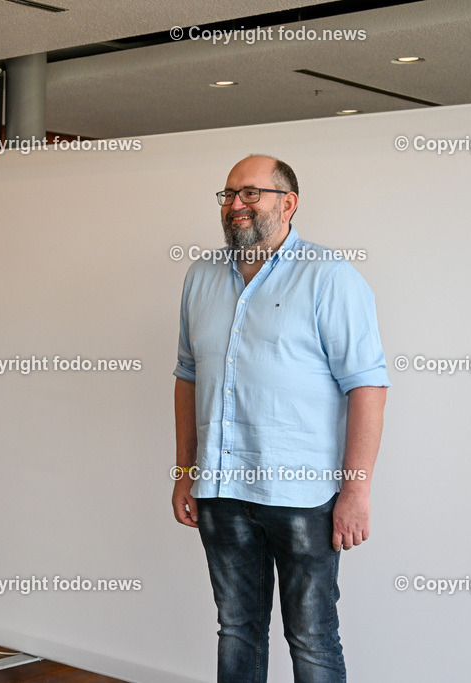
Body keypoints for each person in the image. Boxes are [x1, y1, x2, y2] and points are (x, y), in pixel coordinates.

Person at [170, 155, 389, 682]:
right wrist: (185, 472)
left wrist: (355, 492)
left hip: (304, 498)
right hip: (221, 490)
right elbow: (187, 377)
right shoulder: (200, 277)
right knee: (237, 629)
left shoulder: (329, 276)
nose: (235, 206)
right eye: (228, 195)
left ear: (288, 203)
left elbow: (368, 384)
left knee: (312, 637)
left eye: (250, 194)